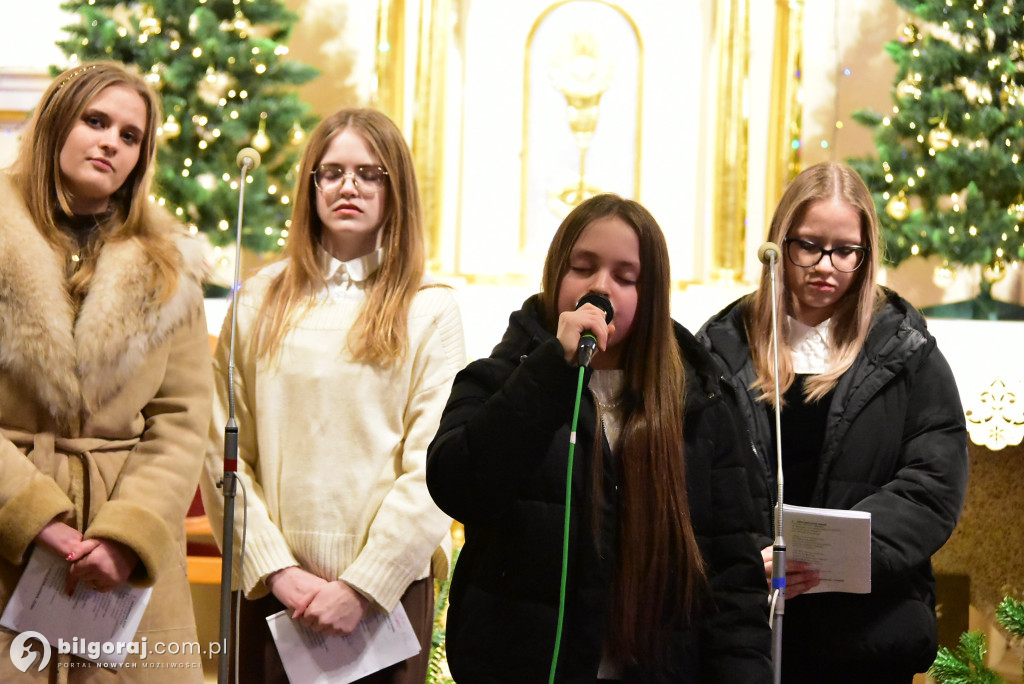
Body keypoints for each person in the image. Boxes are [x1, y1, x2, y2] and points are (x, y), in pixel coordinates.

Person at [426, 193, 772, 682]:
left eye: (625, 277)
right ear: (554, 276)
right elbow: (458, 485)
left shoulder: (700, 401)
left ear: (650, 295)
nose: (599, 287)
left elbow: (734, 574)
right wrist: (551, 371)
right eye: (582, 267)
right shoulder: (500, 378)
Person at [200, 107, 464, 683]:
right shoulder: (259, 301)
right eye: (333, 171)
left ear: (397, 190)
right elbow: (221, 453)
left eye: (370, 173)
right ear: (310, 185)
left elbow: (434, 467)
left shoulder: (429, 307)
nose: (350, 185)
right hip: (275, 592)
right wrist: (275, 570)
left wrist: (364, 584)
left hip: (385, 598)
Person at [698, 161, 968, 683]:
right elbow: (691, 474)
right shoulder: (723, 347)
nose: (826, 265)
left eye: (845, 250)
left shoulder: (905, 353)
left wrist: (836, 552)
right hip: (745, 621)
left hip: (864, 626)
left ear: (866, 256)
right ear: (780, 243)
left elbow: (933, 485)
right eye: (809, 245)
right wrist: (742, 557)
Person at [0, 61, 213, 680]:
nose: (110, 143)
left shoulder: (168, 270)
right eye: (96, 121)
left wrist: (126, 536)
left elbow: (180, 421)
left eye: (130, 136)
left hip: (120, 560)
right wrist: (32, 513)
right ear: (55, 123)